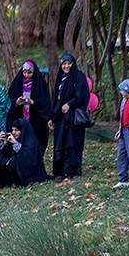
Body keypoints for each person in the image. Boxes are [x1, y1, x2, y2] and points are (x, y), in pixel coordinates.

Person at [47, 53, 90, 182]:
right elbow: (56, 99)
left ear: (73, 64)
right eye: (64, 64)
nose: (66, 66)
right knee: (60, 143)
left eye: (68, 63)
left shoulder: (78, 77)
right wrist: (52, 118)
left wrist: (69, 104)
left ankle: (69, 171)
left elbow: (81, 96)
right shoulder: (61, 78)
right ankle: (59, 171)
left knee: (70, 144)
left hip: (72, 119)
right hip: (61, 118)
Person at [6, 59, 51, 156]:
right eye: (24, 72)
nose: (26, 75)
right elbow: (9, 100)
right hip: (20, 118)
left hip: (35, 121)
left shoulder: (40, 84)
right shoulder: (17, 83)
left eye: (29, 73)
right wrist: (17, 102)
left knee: (34, 143)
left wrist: (33, 102)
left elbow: (45, 102)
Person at [0, 117, 51, 189]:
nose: (14, 132)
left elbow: (28, 157)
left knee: (14, 162)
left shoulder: (31, 141)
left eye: (16, 130)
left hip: (29, 171)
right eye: (12, 130)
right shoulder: (13, 139)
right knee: (2, 161)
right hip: (16, 168)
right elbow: (2, 153)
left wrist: (15, 143)